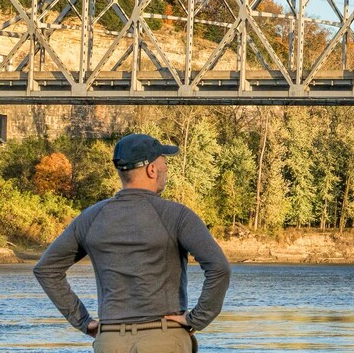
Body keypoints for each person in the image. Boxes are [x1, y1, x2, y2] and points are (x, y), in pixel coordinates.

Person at [34, 133, 232, 352]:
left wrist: (82, 321)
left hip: (110, 341)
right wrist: (197, 318)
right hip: (164, 338)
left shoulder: (91, 217)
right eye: (164, 164)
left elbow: (46, 269)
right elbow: (219, 268)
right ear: (152, 170)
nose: (166, 170)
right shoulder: (176, 215)